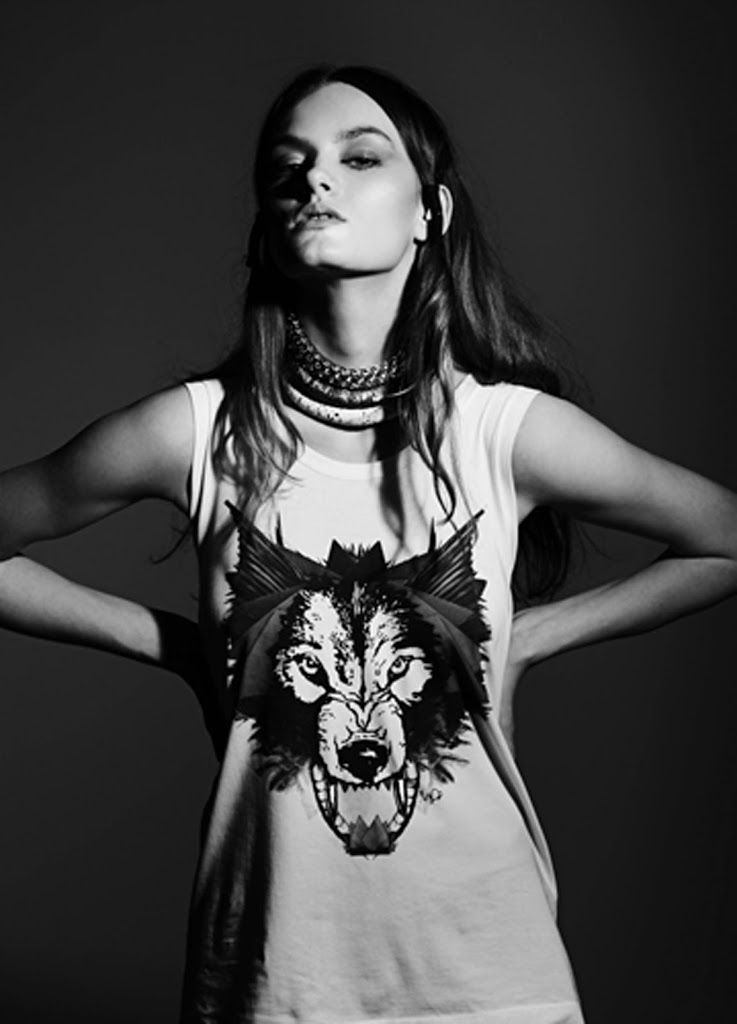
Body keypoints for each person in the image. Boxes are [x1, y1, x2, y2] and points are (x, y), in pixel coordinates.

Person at [1, 64, 736, 1024]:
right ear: (269, 222)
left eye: (358, 157)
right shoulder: (197, 434)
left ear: (429, 212)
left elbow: (723, 538)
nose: (315, 178)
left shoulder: (503, 434)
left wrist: (530, 639)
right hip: (270, 978)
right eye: (288, 167)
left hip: (491, 976)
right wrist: (180, 648)